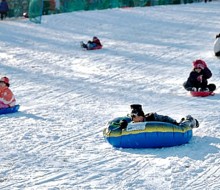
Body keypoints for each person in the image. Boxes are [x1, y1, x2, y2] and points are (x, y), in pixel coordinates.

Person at [119, 104, 199, 129]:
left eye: (135, 117)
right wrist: (123, 123)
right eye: (132, 117)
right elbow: (127, 122)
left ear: (141, 116)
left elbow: (165, 118)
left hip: (168, 125)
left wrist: (174, 123)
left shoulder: (152, 117)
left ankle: (191, 120)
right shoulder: (134, 122)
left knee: (182, 127)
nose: (133, 119)